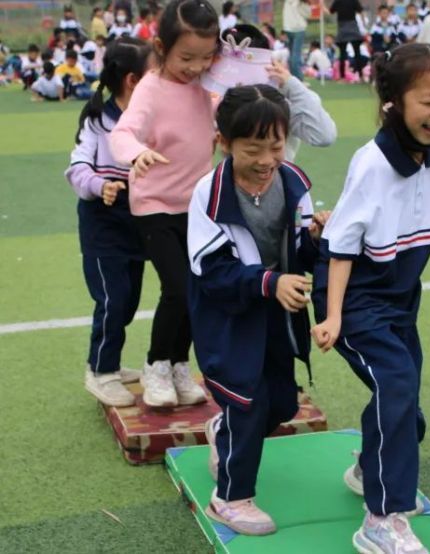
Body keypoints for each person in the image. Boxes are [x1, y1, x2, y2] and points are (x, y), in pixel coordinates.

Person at [311, 43, 430, 554]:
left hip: (400, 298)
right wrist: (333, 316)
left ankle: (369, 468)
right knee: (397, 385)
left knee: (405, 404)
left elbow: (402, 215)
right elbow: (341, 244)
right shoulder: (372, 164)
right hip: (356, 297)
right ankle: (382, 518)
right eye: (429, 102)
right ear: (395, 101)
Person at [189, 85, 327, 535]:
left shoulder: (294, 181)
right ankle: (229, 498)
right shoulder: (209, 194)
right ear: (224, 143)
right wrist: (270, 282)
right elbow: (213, 273)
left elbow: (302, 253)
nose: (268, 160)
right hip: (232, 313)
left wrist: (316, 239)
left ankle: (222, 431)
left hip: (277, 308)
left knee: (282, 403)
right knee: (247, 402)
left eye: (276, 146)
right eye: (253, 149)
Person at [109, 0, 221, 407]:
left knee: (198, 287)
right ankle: (156, 365)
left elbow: (226, 114)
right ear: (161, 46)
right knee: (178, 287)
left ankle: (179, 365)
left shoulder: (208, 86)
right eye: (186, 57)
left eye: (206, 57)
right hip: (155, 205)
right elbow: (122, 133)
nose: (196, 66)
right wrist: (137, 153)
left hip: (196, 207)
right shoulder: (151, 89)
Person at [64, 38, 153, 407]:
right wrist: (101, 186)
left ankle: (109, 362)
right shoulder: (98, 120)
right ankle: (101, 371)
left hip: (138, 221)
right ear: (133, 80)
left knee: (128, 301)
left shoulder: (148, 118)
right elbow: (77, 169)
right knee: (112, 299)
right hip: (103, 222)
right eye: (154, 73)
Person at [219, 24, 337, 160]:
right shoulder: (217, 95)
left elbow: (324, 136)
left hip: (278, 172)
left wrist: (292, 85)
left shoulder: (281, 99)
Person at [330, 0, 365, 81]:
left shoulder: (338, 1)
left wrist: (322, 6)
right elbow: (361, 11)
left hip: (342, 27)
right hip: (352, 26)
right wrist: (363, 25)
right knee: (357, 53)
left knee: (343, 54)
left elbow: (331, 11)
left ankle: (342, 77)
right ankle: (361, 75)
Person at [282, 0, 311, 80]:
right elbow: (308, 15)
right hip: (299, 29)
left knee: (291, 54)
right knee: (296, 55)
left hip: (288, 28)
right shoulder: (302, 3)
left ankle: (292, 78)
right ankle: (298, 78)